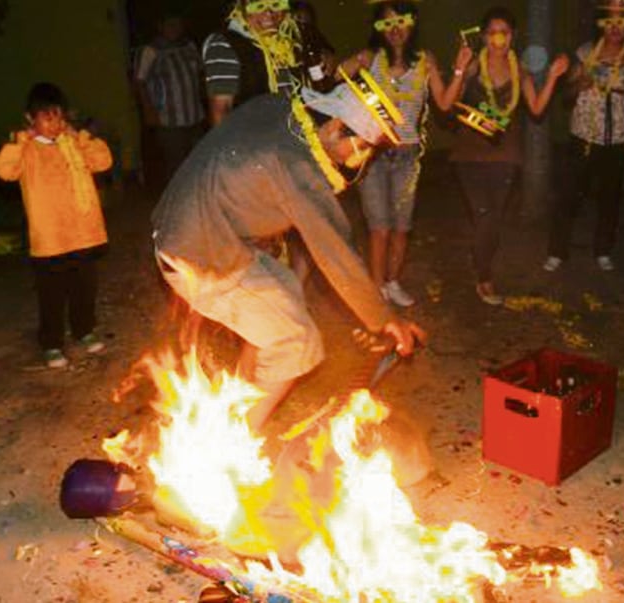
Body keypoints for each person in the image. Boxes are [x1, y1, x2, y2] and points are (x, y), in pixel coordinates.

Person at [151, 74, 425, 434]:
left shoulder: (278, 107)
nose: (361, 159)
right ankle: (231, 449)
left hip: (189, 229)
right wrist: (384, 317)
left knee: (284, 290)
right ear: (336, 125)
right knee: (296, 340)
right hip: (200, 255)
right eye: (363, 147)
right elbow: (334, 248)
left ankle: (239, 400)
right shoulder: (295, 165)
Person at [339, 0, 473, 307]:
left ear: (411, 24)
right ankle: (376, 290)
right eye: (387, 23)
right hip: (373, 155)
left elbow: (444, 103)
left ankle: (392, 282)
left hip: (407, 156)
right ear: (378, 28)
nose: (395, 29)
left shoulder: (425, 60)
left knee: (401, 227)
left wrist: (460, 70)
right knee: (379, 228)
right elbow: (334, 79)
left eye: (401, 21)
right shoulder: (371, 57)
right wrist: (348, 65)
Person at [449, 6, 568, 305]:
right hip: (469, 154)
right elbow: (450, 101)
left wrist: (552, 76)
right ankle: (485, 277)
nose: (497, 39)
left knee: (491, 218)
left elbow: (537, 109)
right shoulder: (475, 65)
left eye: (504, 32)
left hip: (505, 154)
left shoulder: (521, 71)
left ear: (512, 36)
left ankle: (480, 256)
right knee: (484, 216)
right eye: (491, 33)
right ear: (484, 36)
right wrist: (459, 70)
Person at [0, 83, 113, 368]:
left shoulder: (74, 144)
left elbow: (104, 161)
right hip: (49, 239)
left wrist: (80, 136)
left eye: (59, 117)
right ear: (30, 120)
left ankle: (84, 331)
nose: (55, 124)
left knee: (85, 287)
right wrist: (21, 140)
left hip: (82, 234)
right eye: (47, 118)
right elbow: (2, 169)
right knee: (52, 294)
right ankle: (52, 343)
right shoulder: (27, 150)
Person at [543, 0, 624, 274]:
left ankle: (603, 250)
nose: (615, 27)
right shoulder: (585, 53)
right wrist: (580, 84)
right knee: (569, 196)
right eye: (609, 20)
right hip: (584, 136)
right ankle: (557, 252)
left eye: (622, 21)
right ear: (601, 23)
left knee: (610, 198)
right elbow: (566, 97)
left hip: (620, 139)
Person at [133, 12, 207, 194]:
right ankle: (177, 205)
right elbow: (139, 82)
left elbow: (200, 73)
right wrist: (149, 111)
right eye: (170, 23)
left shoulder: (189, 46)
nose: (175, 27)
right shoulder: (150, 50)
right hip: (168, 119)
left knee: (199, 160)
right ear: (160, 26)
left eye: (178, 23)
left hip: (195, 115)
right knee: (176, 165)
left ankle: (199, 200)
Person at [201, 0, 301, 126]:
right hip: (254, 141)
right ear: (242, 8)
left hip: (287, 136)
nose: (269, 12)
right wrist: (231, 145)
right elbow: (220, 110)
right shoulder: (226, 44)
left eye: (276, 3)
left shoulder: (284, 45)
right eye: (258, 6)